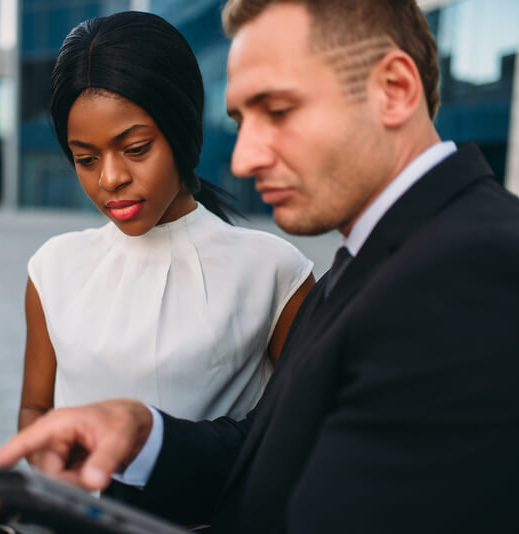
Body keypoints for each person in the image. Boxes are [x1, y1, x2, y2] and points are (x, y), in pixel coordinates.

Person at [0, 0, 519, 532]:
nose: (242, 158)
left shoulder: (471, 272)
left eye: (279, 110)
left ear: (395, 88)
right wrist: (145, 433)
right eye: (241, 117)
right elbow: (266, 454)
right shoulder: (375, 261)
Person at [21, 11, 312, 433]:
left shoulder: (274, 272)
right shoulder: (52, 268)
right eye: (85, 159)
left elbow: (300, 432)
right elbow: (34, 410)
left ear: (181, 132)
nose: (111, 178)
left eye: (136, 149)